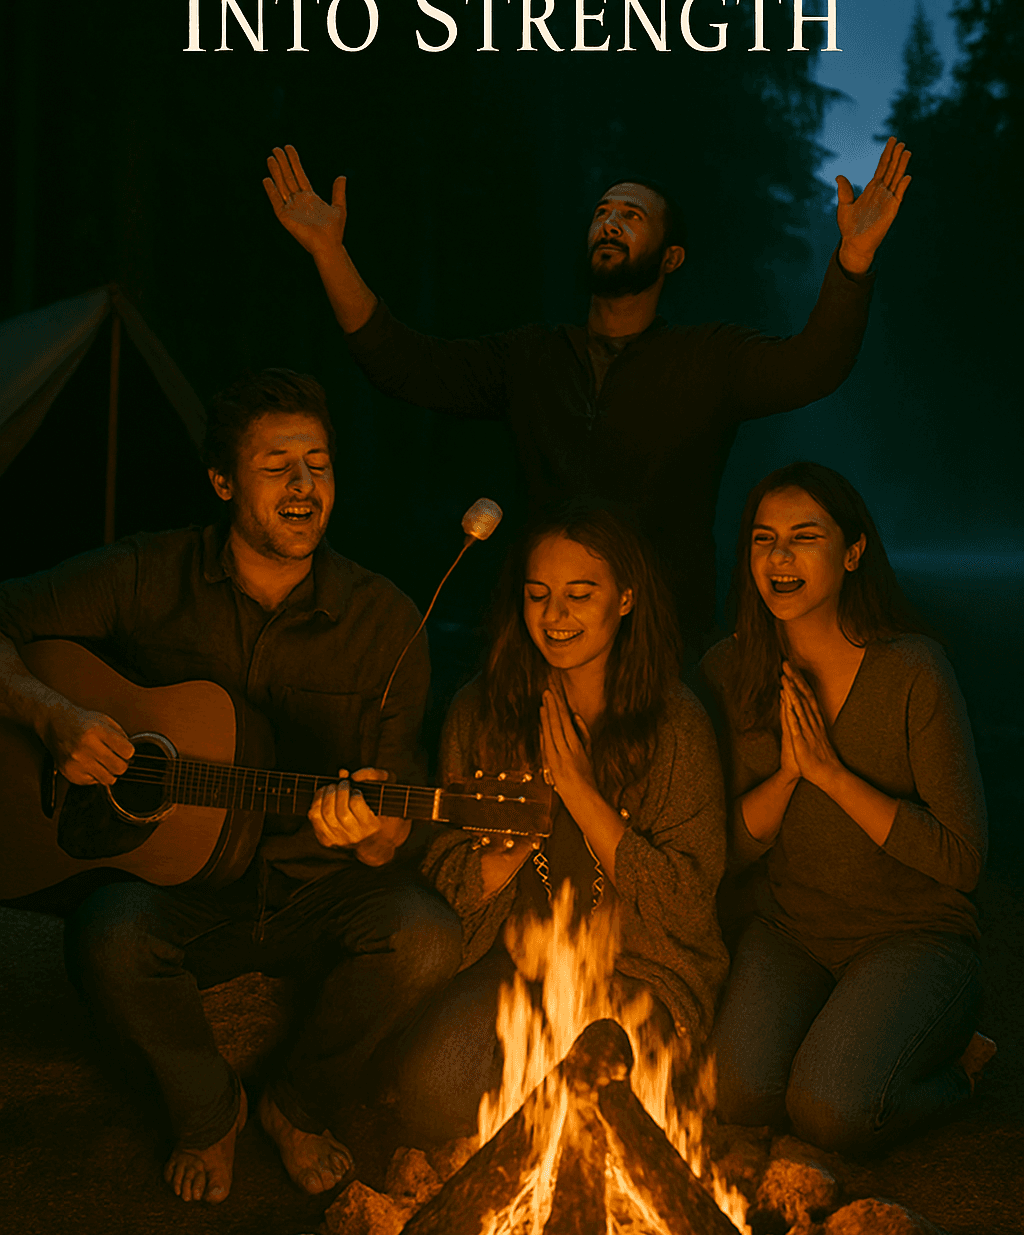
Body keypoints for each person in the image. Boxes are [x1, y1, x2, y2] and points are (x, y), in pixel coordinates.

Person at [0, 368, 462, 1204]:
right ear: (221, 482)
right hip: (179, 894)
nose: (303, 485)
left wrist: (368, 832)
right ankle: (210, 1113)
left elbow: (399, 823)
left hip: (311, 892)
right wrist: (50, 714)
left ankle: (296, 1105)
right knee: (106, 938)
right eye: (276, 463)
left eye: (319, 463)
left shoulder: (389, 621)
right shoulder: (149, 571)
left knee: (426, 937)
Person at [263, 140, 912, 646]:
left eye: (632, 216)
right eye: (603, 212)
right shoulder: (530, 357)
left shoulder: (709, 359)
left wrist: (852, 263)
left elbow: (813, 367)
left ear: (671, 257)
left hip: (665, 640)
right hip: (542, 632)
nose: (610, 223)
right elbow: (402, 365)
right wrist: (328, 251)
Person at [394, 501, 730, 1142]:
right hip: (512, 961)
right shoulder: (480, 712)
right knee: (432, 1094)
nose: (555, 617)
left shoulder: (676, 724)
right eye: (538, 595)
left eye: (580, 595)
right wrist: (509, 849)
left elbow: (687, 904)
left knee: (609, 1108)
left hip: (638, 968)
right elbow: (440, 870)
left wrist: (578, 789)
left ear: (625, 600)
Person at [701, 461, 994, 1155]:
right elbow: (723, 851)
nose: (779, 558)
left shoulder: (912, 670)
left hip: (912, 934)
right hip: (793, 931)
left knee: (829, 1112)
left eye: (804, 537)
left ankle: (959, 1070)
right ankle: (842, 1033)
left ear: (853, 552)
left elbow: (963, 860)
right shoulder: (727, 671)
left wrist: (832, 776)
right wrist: (788, 778)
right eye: (763, 538)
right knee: (736, 1095)